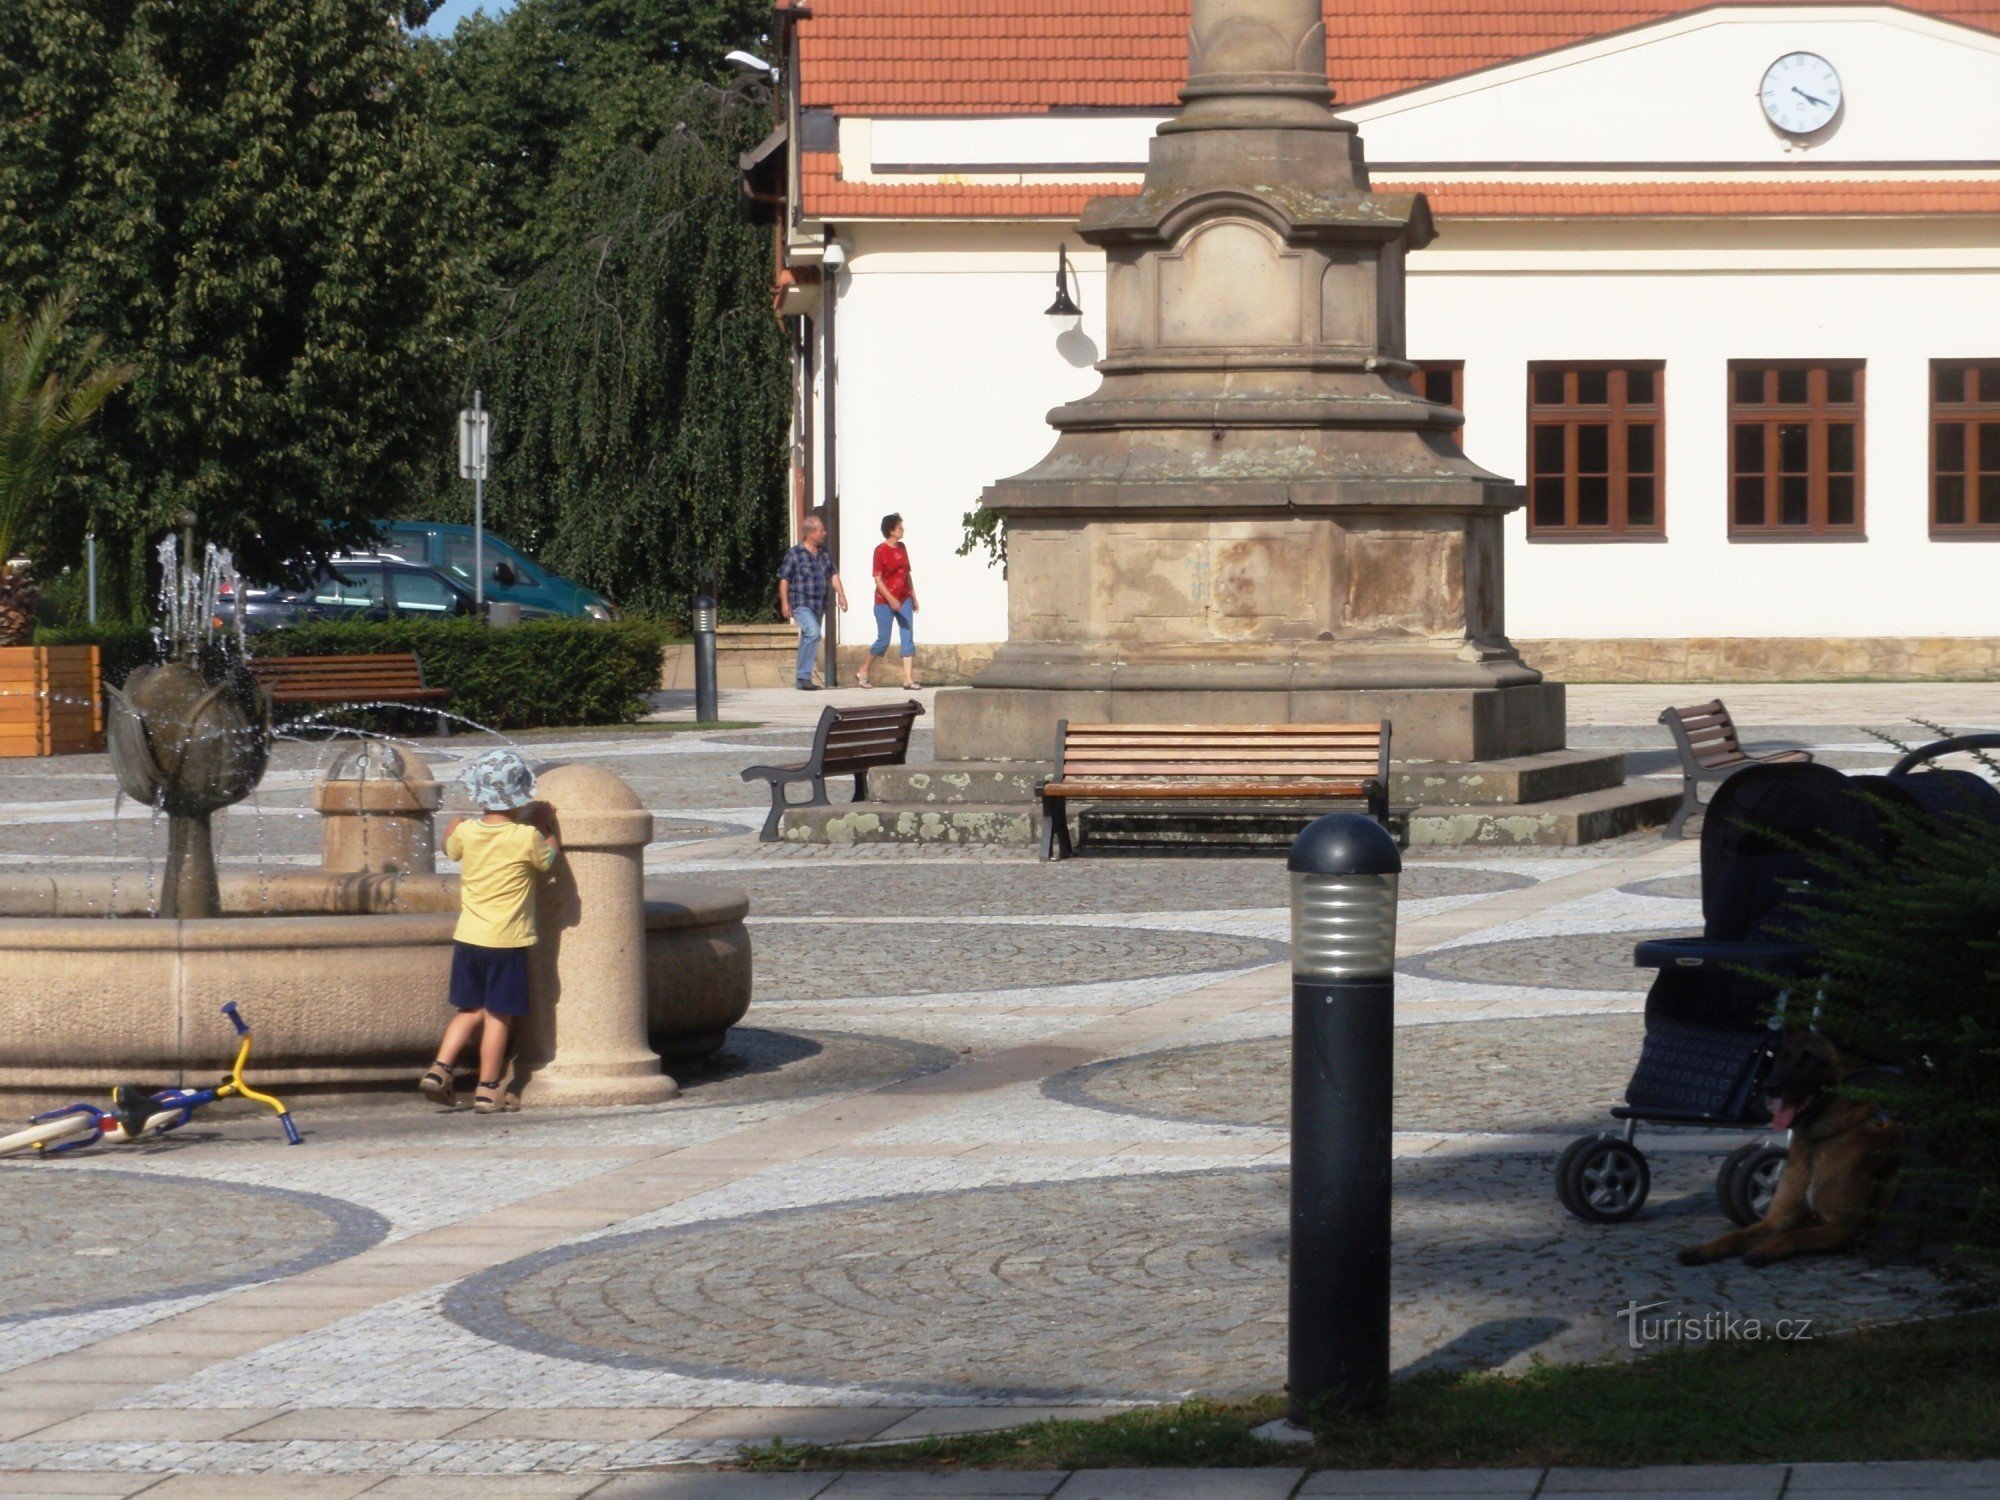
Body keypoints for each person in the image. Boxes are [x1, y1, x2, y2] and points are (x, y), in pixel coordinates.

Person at [419, 749, 558, 1114]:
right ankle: (488, 1088)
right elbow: (548, 861)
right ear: (520, 797)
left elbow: (450, 849)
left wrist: (449, 832)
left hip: (469, 938)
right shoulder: (525, 837)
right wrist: (550, 829)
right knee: (498, 1015)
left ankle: (439, 1069)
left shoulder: (465, 832)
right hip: (507, 941)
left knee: (469, 1009)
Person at [777, 511, 847, 691]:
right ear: (810, 533)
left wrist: (842, 595)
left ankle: (802, 679)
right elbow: (784, 578)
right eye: (821, 531)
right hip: (801, 603)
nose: (824, 534)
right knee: (813, 633)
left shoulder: (824, 554)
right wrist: (785, 603)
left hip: (819, 604)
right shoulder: (795, 554)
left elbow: (833, 575)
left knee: (809, 636)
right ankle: (803, 675)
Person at [858, 512, 920, 690]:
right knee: (883, 639)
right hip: (884, 601)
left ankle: (908, 678)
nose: (903, 529)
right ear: (891, 530)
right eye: (900, 527)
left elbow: (906, 573)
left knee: (907, 635)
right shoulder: (880, 551)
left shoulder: (902, 547)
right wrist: (891, 599)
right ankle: (864, 670)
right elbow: (878, 579)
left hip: (904, 598)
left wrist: (913, 596)